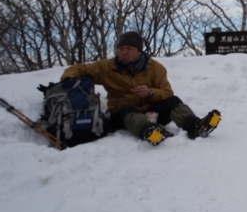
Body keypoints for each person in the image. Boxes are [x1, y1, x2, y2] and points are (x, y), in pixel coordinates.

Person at [60, 31, 220, 146]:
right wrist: (68, 79)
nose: (123, 52)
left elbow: (166, 92)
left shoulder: (155, 68)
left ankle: (195, 126)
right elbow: (79, 68)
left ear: (139, 51)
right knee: (125, 110)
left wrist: (150, 92)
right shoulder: (107, 67)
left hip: (151, 112)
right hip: (122, 114)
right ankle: (150, 132)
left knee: (173, 101)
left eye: (128, 49)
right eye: (120, 48)